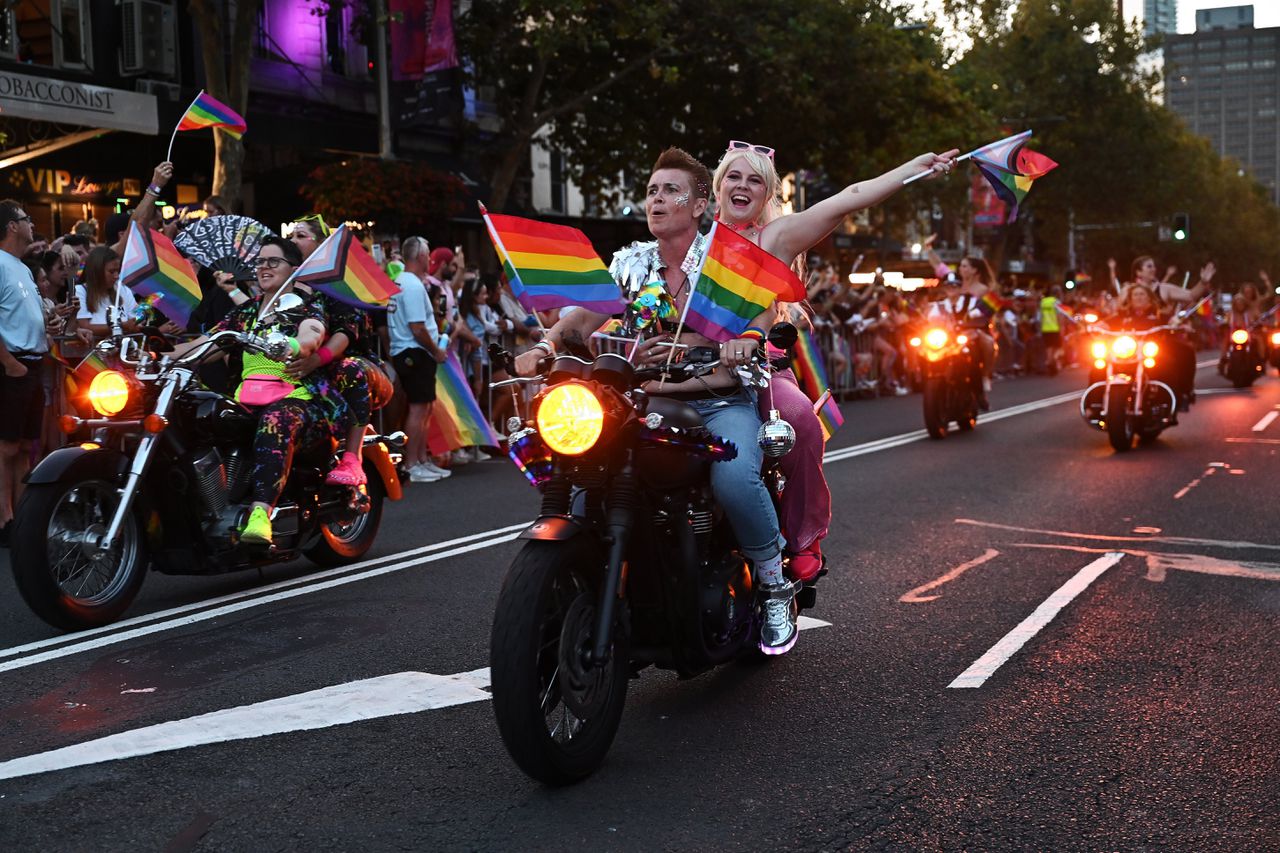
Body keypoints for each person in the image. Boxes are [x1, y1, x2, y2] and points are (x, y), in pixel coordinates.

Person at [520, 149, 806, 654]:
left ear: (700, 204)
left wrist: (748, 337)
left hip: (719, 399)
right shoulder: (630, 262)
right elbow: (581, 317)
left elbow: (759, 315)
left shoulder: (725, 261)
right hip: (639, 398)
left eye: (670, 191)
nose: (658, 199)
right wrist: (543, 347)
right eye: (652, 190)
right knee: (582, 461)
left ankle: (772, 582)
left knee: (735, 475)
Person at [709, 141, 956, 583]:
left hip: (758, 368)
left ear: (767, 195)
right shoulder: (693, 238)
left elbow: (850, 197)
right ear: (718, 185)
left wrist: (912, 167)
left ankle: (803, 537)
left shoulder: (775, 237)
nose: (742, 186)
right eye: (734, 177)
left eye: (755, 181)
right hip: (691, 371)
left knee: (800, 417)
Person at [171, 236, 333, 544]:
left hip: (295, 399)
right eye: (259, 262)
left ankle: (261, 514)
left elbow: (313, 333)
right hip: (247, 402)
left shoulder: (306, 308)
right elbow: (206, 344)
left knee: (275, 420)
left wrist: (294, 344)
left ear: (294, 269)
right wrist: (156, 356)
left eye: (273, 262)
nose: (264, 267)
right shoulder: (245, 314)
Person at [284, 215, 378, 486]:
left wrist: (316, 359)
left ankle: (352, 458)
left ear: (322, 244)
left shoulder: (339, 281)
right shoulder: (286, 282)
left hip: (350, 365)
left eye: (301, 236)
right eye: (291, 236)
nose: (293, 241)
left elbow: (346, 332)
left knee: (350, 369)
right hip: (304, 363)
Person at [0, 201, 52, 544]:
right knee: (5, 446)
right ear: (12, 226)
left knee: (22, 446)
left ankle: (19, 517)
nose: (31, 223)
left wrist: (53, 321)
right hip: (15, 364)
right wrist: (8, 362)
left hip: (32, 363)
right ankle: (4, 518)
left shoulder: (21, 267)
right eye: (25, 219)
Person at [388, 236, 451, 483]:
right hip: (414, 352)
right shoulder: (412, 285)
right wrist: (436, 350)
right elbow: (417, 327)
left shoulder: (401, 281)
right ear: (422, 257)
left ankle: (422, 459)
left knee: (424, 408)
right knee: (418, 409)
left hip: (410, 352)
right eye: (428, 255)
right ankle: (412, 463)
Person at [75, 247, 138, 341]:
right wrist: (120, 326)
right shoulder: (80, 291)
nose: (116, 276)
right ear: (97, 271)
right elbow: (85, 327)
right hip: (92, 352)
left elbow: (135, 320)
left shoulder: (123, 289)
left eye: (118, 271)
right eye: (112, 272)